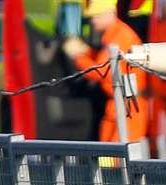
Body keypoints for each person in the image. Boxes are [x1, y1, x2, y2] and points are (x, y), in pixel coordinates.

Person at [62, 0, 150, 144]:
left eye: (96, 16)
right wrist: (86, 52)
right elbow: (104, 61)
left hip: (129, 108)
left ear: (111, 13)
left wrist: (77, 56)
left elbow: (102, 71)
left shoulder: (120, 36)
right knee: (108, 156)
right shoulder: (115, 34)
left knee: (119, 159)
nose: (92, 20)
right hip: (118, 105)